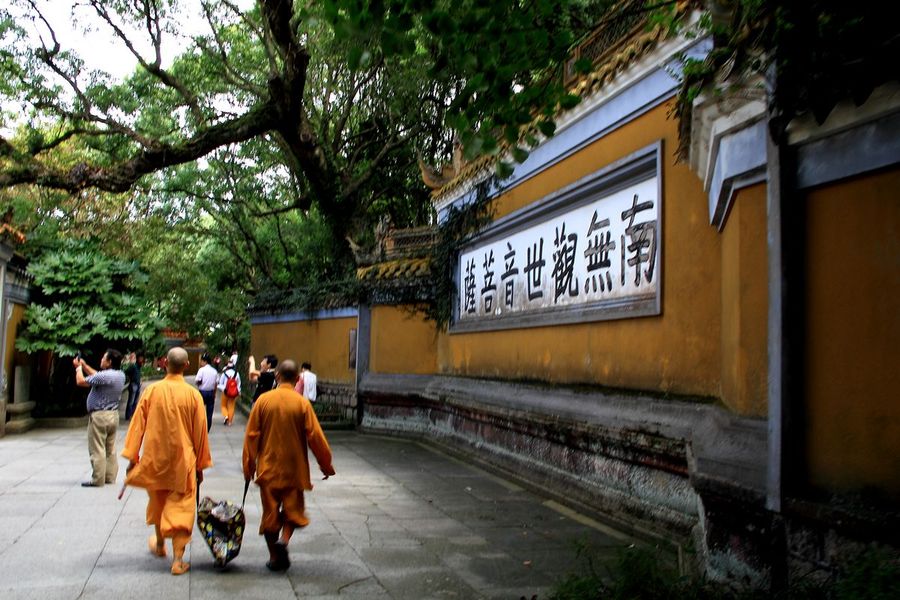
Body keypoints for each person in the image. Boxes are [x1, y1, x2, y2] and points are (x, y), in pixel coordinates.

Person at [121, 347, 212, 576]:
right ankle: (178, 560)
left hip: (155, 460)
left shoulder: (151, 391)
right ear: (186, 366)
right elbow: (200, 433)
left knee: (158, 502)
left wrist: (133, 457)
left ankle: (161, 544)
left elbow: (137, 427)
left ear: (164, 364)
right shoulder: (193, 395)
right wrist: (200, 465)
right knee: (181, 506)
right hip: (183, 462)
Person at [243, 359, 335, 571]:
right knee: (293, 510)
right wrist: (325, 464)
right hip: (294, 468)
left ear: (276, 377)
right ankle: (284, 540)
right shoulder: (302, 403)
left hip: (268, 467)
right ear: (298, 378)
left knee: (270, 515)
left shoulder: (263, 401)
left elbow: (251, 437)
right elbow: (316, 437)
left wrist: (249, 466)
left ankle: (274, 557)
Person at [74, 349, 126, 487]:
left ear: (109, 362)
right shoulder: (120, 375)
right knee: (110, 448)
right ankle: (109, 476)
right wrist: (85, 366)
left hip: (99, 416)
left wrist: (78, 368)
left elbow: (81, 381)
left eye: (104, 358)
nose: (101, 360)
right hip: (113, 415)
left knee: (97, 448)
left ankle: (97, 479)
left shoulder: (105, 376)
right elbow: (97, 376)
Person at [194, 353, 218, 431]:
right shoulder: (214, 371)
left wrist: (200, 384)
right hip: (211, 392)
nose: (201, 363)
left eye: (201, 361)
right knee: (209, 411)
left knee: (200, 410)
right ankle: (208, 428)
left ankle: (200, 426)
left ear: (205, 361)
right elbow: (216, 383)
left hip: (202, 392)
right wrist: (214, 393)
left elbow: (197, 380)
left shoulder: (201, 370)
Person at [124, 351, 145, 420]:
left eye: (142, 358)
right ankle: (128, 416)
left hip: (138, 385)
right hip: (133, 384)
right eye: (140, 358)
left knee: (135, 401)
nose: (141, 359)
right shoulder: (133, 366)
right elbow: (126, 372)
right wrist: (131, 378)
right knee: (131, 401)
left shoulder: (138, 366)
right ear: (138, 358)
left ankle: (133, 415)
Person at [218, 360, 241, 426]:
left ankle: (226, 416)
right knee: (231, 406)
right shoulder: (237, 374)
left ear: (227, 367)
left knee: (223, 405)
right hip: (233, 393)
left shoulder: (224, 374)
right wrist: (238, 391)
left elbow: (220, 383)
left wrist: (224, 389)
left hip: (225, 392)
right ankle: (230, 422)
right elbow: (238, 384)